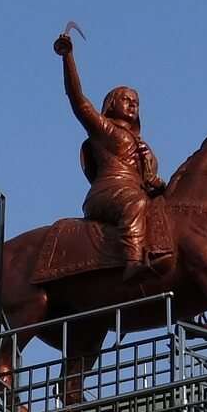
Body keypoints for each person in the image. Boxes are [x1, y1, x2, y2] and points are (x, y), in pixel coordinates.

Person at [56, 31, 166, 278]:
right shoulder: (105, 130)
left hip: (137, 192)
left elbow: (151, 183)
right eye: (126, 99)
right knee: (135, 203)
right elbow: (78, 100)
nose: (132, 104)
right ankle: (133, 262)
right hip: (109, 193)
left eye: (136, 101)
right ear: (112, 104)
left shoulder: (145, 147)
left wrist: (158, 185)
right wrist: (68, 57)